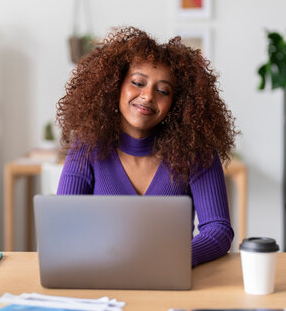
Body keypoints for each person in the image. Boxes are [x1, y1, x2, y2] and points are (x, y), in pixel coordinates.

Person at [56, 26, 238, 267]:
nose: (148, 96)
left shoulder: (197, 153)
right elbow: (63, 229)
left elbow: (218, 230)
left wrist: (174, 259)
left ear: (177, 103)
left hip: (173, 282)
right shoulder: (86, 149)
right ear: (114, 86)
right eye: (138, 82)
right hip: (102, 279)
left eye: (163, 90)